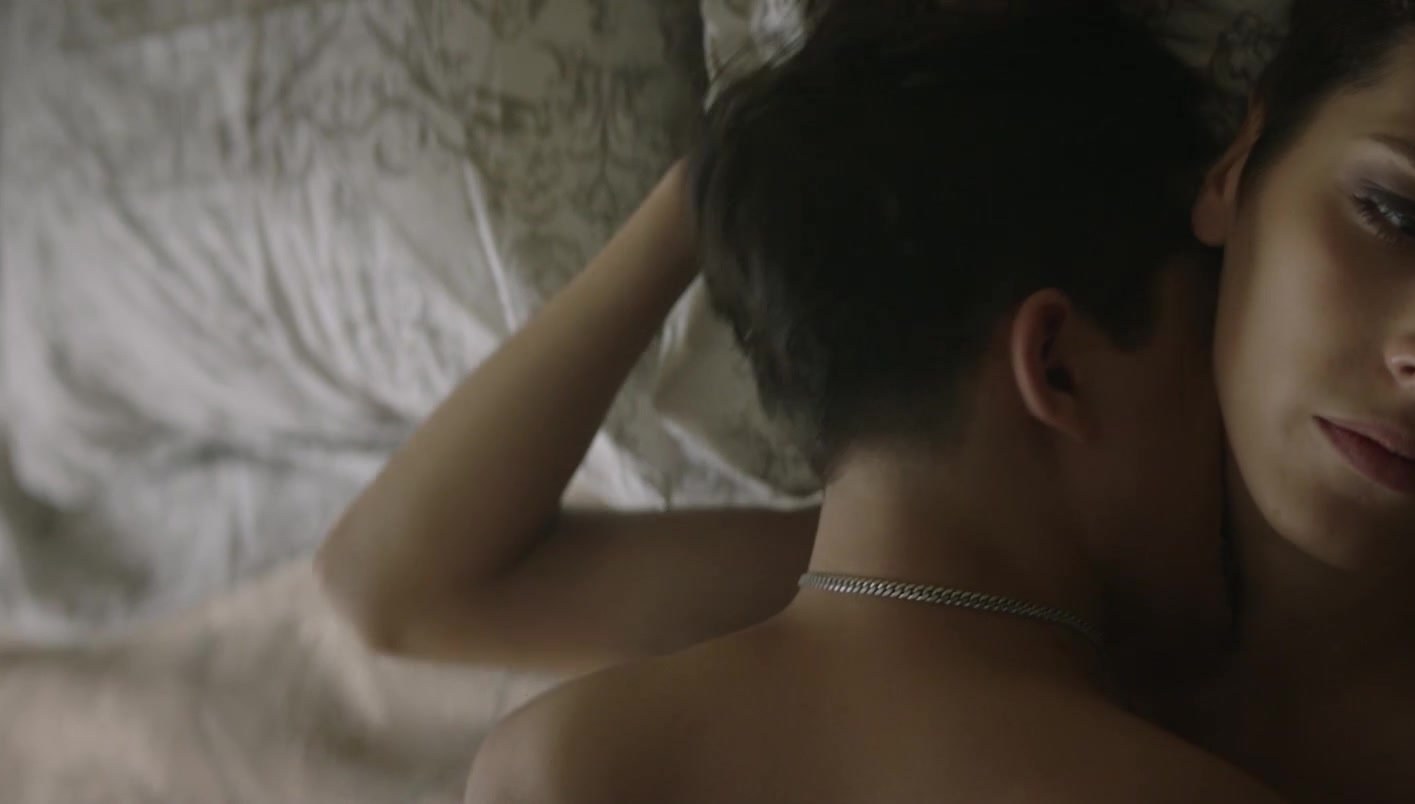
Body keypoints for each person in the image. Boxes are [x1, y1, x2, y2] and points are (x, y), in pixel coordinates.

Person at [319, 0, 1415, 802]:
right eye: (1396, 215)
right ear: (1237, 174)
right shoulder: (950, 570)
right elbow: (403, 588)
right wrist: (752, 162)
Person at [322, 4, 1283, 802]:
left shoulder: (565, 759)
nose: (1232, 412)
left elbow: (393, 589)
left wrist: (733, 183)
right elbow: (393, 588)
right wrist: (735, 173)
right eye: (1207, 336)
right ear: (1058, 367)